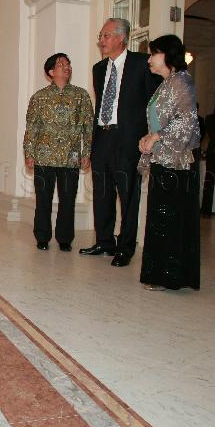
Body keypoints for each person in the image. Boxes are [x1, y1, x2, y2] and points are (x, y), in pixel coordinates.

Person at [79, 18, 161, 267]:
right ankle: (104, 242)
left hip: (128, 140)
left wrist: (153, 135)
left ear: (120, 37)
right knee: (102, 193)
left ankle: (125, 247)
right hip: (102, 137)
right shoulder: (98, 68)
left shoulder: (141, 64)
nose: (101, 41)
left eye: (105, 36)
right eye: (100, 36)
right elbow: (101, 105)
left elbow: (154, 103)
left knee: (128, 195)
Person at [137, 34, 201, 291]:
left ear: (167, 55)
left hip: (176, 162)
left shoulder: (181, 81)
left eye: (153, 54)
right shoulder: (166, 83)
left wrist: (158, 137)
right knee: (160, 217)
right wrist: (148, 138)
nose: (149, 59)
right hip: (162, 158)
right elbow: (161, 120)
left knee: (169, 218)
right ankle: (160, 274)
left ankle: (170, 276)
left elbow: (187, 119)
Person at [23, 53, 93, 251]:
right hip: (43, 155)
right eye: (62, 64)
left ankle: (64, 239)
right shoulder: (39, 97)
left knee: (68, 200)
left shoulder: (81, 95)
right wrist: (29, 153)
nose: (67, 67)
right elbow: (32, 128)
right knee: (43, 199)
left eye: (68, 64)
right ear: (51, 72)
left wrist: (86, 152)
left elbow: (88, 127)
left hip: (70, 157)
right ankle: (42, 237)